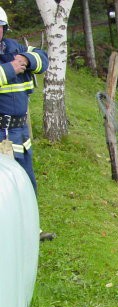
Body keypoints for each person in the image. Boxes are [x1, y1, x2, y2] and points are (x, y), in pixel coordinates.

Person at [0, 7, 51, 241]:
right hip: (1, 132)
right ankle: (9, 236)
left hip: (20, 132)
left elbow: (43, 58)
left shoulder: (13, 48)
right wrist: (10, 69)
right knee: (6, 187)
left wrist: (27, 59)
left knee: (27, 182)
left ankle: (31, 230)